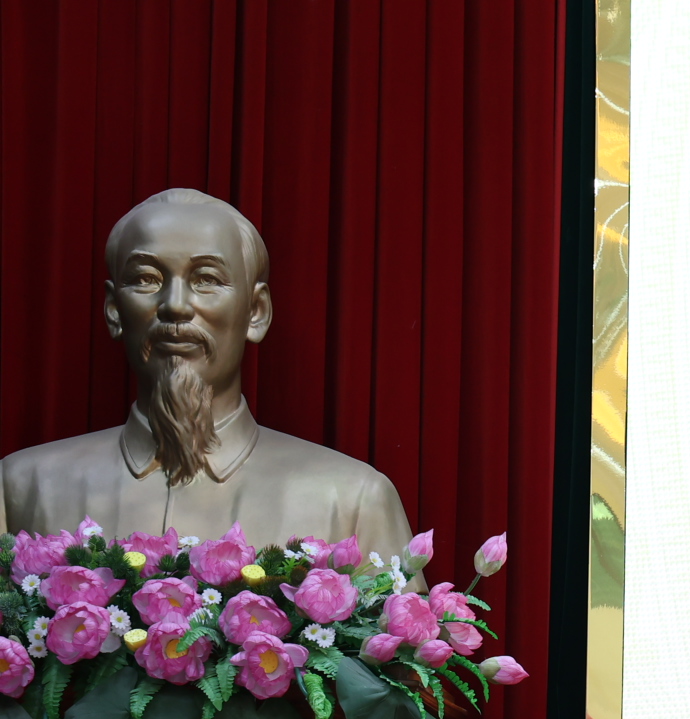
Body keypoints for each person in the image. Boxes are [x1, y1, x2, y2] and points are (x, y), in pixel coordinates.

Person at [3, 189, 411, 564]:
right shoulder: (21, 488)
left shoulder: (351, 500)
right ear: (114, 310)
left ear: (256, 312)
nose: (175, 306)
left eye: (207, 280)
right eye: (146, 279)